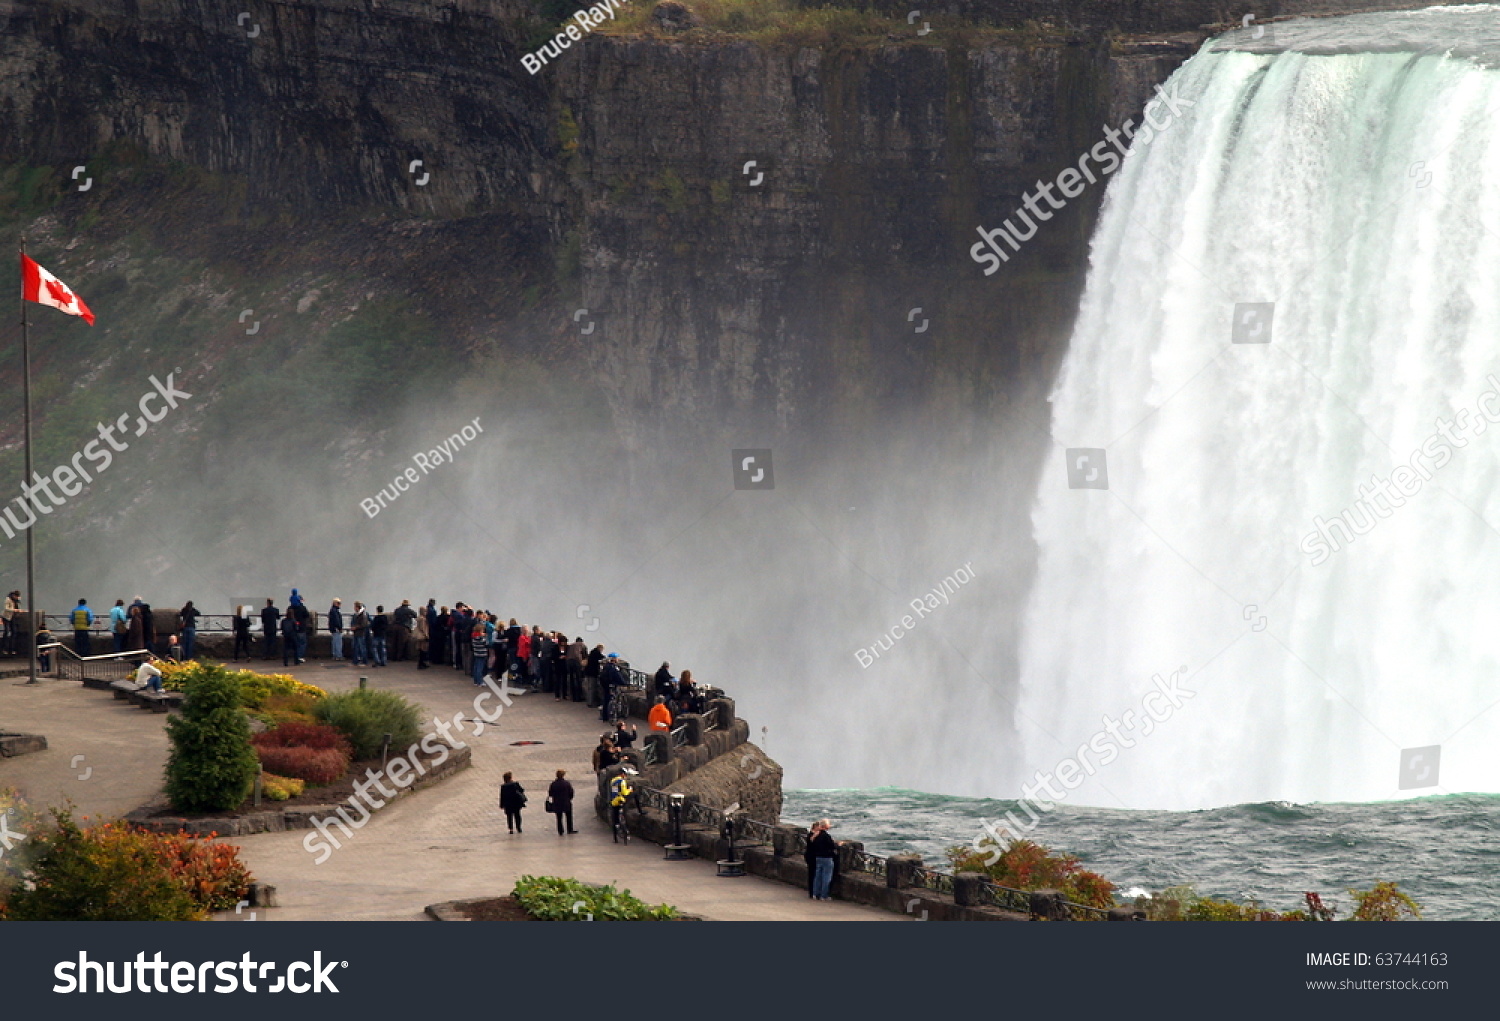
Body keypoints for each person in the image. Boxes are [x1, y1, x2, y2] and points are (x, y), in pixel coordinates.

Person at [808, 819, 841, 901]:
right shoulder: (826, 836)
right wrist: (838, 844)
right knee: (826, 877)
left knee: (818, 876)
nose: (830, 826)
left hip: (818, 857)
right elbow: (832, 846)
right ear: (825, 826)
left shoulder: (816, 835)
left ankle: (815, 894)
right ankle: (824, 895)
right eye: (829, 824)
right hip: (827, 858)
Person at [607, 767, 635, 843]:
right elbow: (624, 792)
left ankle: (615, 837)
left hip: (613, 801)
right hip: (620, 801)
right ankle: (625, 830)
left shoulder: (613, 781)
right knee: (624, 815)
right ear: (622, 774)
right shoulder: (622, 782)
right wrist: (630, 790)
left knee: (615, 819)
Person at [547, 769, 576, 835]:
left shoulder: (553, 784)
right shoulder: (566, 783)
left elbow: (550, 793)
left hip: (557, 803)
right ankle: (570, 829)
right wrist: (569, 798)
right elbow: (571, 792)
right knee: (568, 817)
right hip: (566, 802)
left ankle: (560, 831)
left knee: (559, 818)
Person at [599, 653, 625, 721]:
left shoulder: (606, 666)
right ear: (614, 659)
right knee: (610, 698)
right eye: (617, 658)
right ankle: (612, 713)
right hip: (611, 684)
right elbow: (618, 676)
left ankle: (605, 716)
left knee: (606, 700)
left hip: (604, 684)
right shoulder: (613, 668)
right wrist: (624, 683)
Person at [350, 601, 370, 666]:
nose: (354, 608)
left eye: (355, 607)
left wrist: (355, 627)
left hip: (361, 633)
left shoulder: (363, 615)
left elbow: (364, 624)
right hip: (357, 633)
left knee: (362, 648)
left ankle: (364, 661)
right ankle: (355, 661)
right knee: (355, 647)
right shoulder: (357, 614)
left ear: (357, 607)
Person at [1, 590, 18, 656]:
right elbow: (6, 608)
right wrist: (14, 610)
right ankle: (4, 648)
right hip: (6, 617)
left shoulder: (16, 601)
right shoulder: (8, 599)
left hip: (12, 617)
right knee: (7, 631)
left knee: (14, 632)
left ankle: (12, 648)